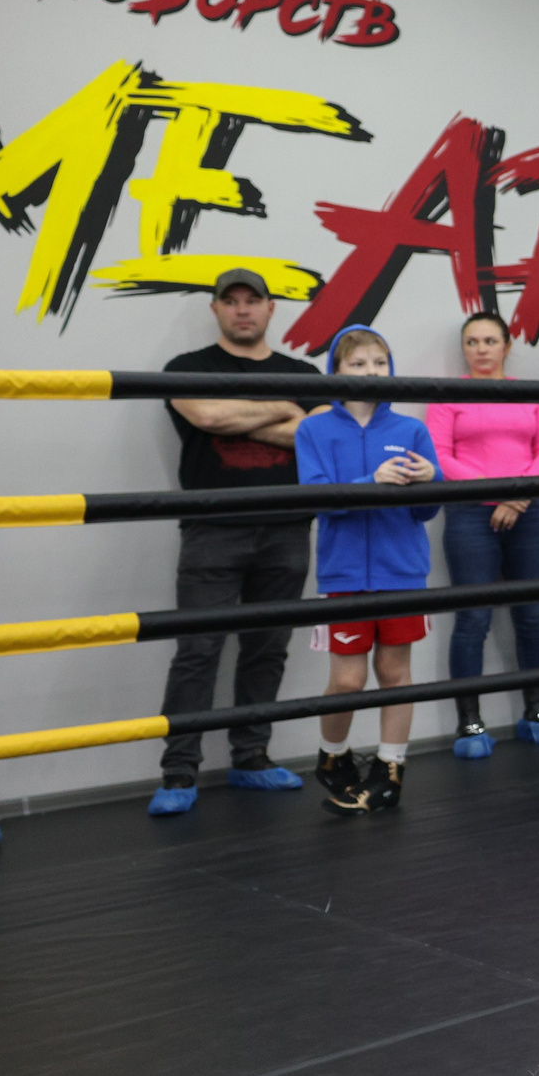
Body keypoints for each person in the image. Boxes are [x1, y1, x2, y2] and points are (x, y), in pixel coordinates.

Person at [150, 268, 323, 816]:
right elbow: (206, 413)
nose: (243, 309)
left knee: (267, 648)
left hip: (288, 527)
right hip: (212, 528)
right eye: (232, 300)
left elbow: (314, 434)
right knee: (197, 651)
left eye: (254, 300)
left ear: (271, 309)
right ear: (216, 308)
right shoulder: (187, 368)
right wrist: (282, 406)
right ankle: (179, 773)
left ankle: (251, 759)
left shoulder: (305, 371)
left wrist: (237, 417)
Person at [298, 326, 442, 814]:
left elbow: (427, 512)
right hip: (343, 573)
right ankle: (333, 757)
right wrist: (371, 481)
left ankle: (390, 770)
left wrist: (430, 482)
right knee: (347, 681)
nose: (371, 372)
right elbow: (319, 501)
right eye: (358, 364)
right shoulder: (313, 430)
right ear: (337, 370)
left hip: (402, 569)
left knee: (395, 672)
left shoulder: (411, 430)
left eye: (379, 362)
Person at [428, 312, 539, 756]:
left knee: (532, 615)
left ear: (506, 346)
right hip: (470, 514)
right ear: (464, 349)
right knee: (472, 619)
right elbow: (438, 454)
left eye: (490, 340)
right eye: (473, 341)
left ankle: (537, 710)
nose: (482, 348)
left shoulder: (528, 392)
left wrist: (517, 498)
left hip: (527, 512)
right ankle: (469, 722)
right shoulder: (448, 395)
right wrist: (499, 495)